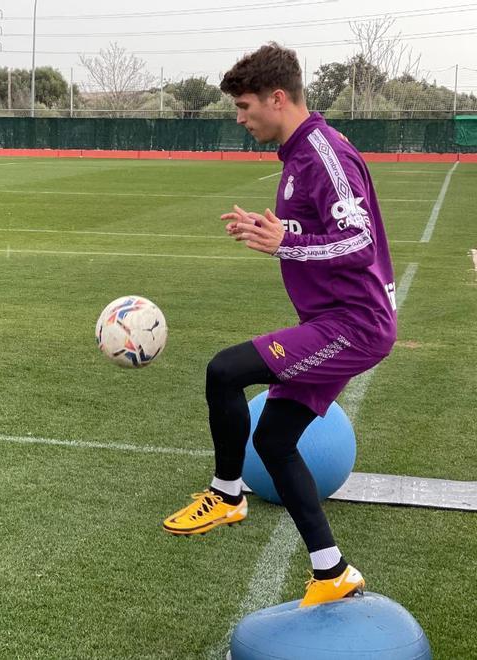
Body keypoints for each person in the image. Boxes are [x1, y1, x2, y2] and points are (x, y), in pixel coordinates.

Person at [161, 44, 396, 607]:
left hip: (353, 323)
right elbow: (320, 231)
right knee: (272, 438)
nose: (240, 119)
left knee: (225, 370)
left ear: (278, 97)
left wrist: (286, 240)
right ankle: (332, 571)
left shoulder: (322, 153)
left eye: (244, 107)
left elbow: (358, 240)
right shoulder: (296, 156)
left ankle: (225, 494)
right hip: (335, 320)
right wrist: (271, 228)